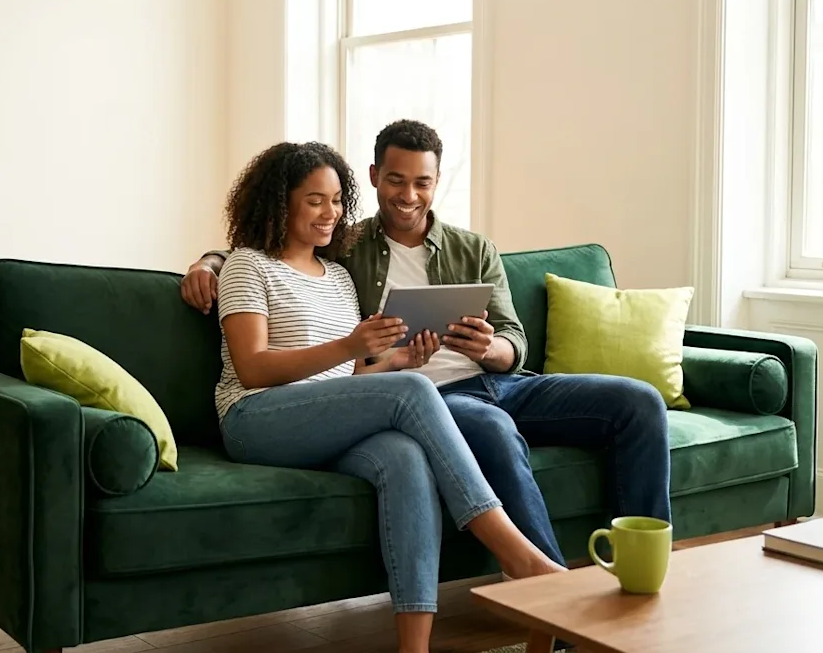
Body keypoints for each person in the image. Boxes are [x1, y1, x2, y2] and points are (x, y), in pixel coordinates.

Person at [183, 120, 672, 569]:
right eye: (396, 180)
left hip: (502, 382)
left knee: (639, 402)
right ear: (375, 176)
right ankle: (546, 594)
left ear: (436, 183)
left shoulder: (473, 249)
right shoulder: (346, 248)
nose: (408, 195)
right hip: (434, 399)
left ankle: (638, 568)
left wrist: (490, 348)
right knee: (494, 429)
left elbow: (514, 341)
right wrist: (208, 262)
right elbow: (274, 246)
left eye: (422, 182)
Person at [213, 140, 564, 653]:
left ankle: (413, 646)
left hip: (323, 420)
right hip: (255, 418)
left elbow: (354, 374)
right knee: (412, 395)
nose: (330, 212)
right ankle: (515, 552)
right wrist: (353, 346)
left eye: (336, 200)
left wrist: (398, 360)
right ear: (278, 201)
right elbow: (252, 367)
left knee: (405, 457)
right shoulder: (248, 266)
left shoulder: (336, 275)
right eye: (314, 200)